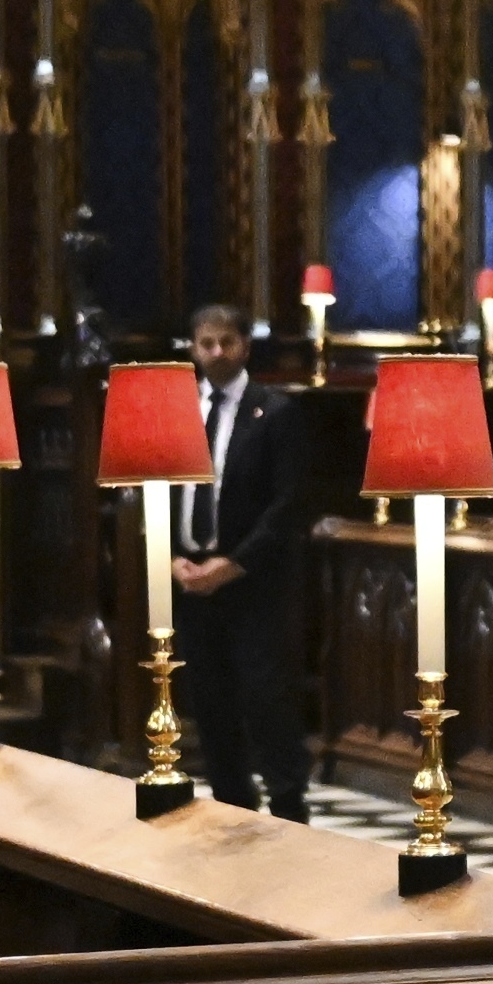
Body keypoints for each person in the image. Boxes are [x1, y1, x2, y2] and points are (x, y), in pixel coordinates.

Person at [170, 304, 314, 819]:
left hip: (252, 584)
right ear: (192, 347)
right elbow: (160, 490)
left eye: (226, 342)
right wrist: (173, 561)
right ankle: (232, 806)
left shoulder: (274, 412)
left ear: (244, 346)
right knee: (209, 704)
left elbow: (288, 506)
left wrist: (232, 565)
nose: (216, 352)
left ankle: (289, 806)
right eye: (205, 342)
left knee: (265, 698)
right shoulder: (180, 411)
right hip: (191, 585)